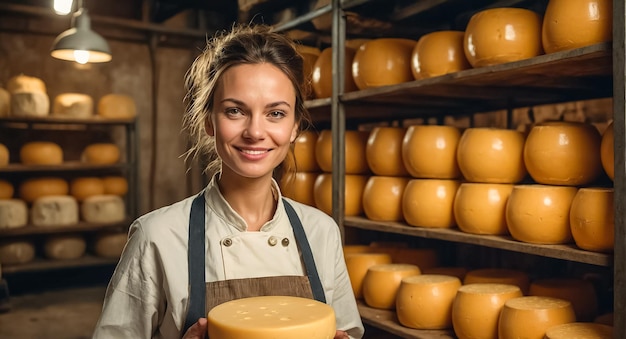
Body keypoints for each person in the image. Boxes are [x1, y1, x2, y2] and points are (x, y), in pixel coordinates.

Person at [92, 24, 365, 339]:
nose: (255, 132)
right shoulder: (158, 236)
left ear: (294, 127)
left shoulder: (321, 232)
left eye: (275, 114)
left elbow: (347, 332)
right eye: (235, 111)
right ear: (209, 121)